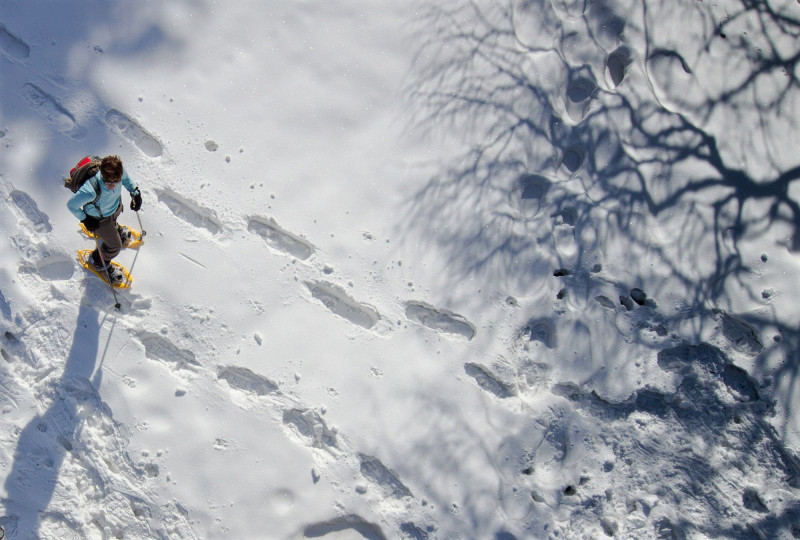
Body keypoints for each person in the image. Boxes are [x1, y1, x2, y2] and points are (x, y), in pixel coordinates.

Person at [67, 155, 142, 283]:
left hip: (114, 207)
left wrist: (135, 192)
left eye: (116, 182)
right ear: (102, 175)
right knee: (114, 246)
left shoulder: (119, 171)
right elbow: (71, 205)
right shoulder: (90, 190)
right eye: (108, 183)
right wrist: (86, 219)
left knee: (114, 220)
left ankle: (115, 230)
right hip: (99, 219)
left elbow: (127, 179)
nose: (112, 185)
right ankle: (99, 261)